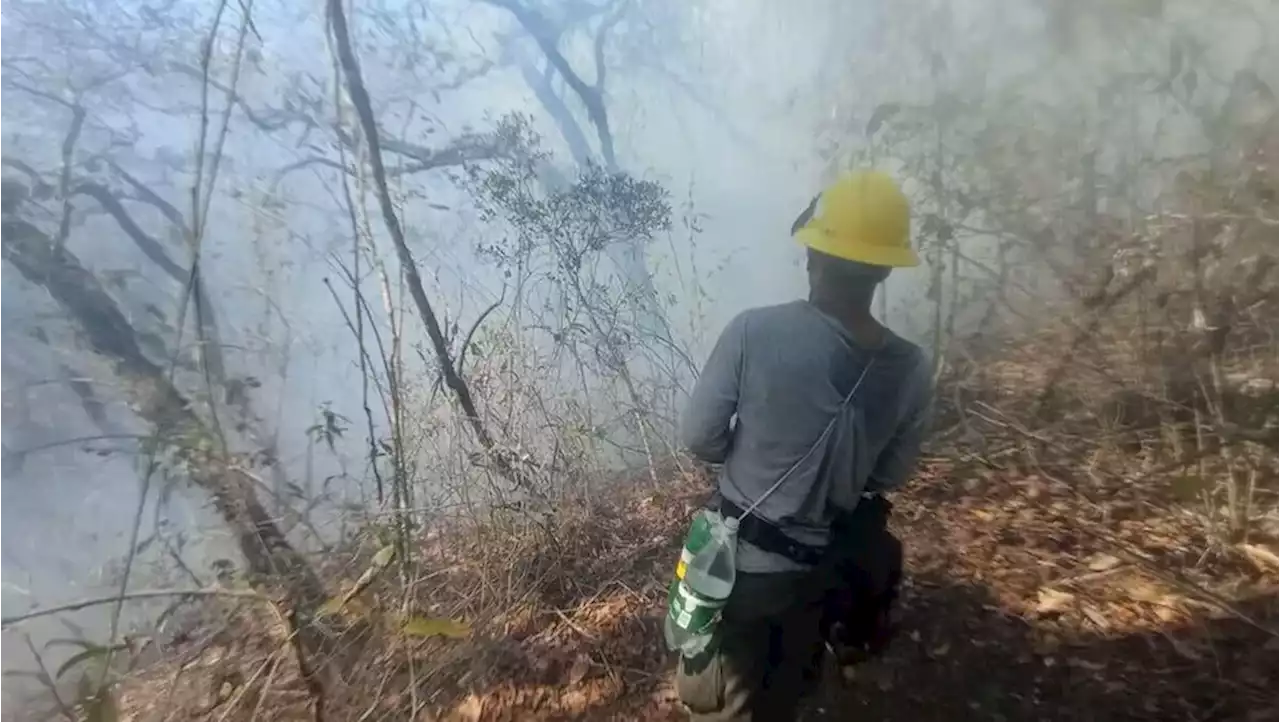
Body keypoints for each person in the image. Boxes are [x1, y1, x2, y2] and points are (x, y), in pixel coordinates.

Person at [674, 171, 934, 721]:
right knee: (786, 698)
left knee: (718, 703)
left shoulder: (754, 332)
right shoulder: (910, 367)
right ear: (885, 268)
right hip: (821, 573)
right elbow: (888, 475)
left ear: (813, 254)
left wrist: (752, 452)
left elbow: (700, 437)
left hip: (737, 565)